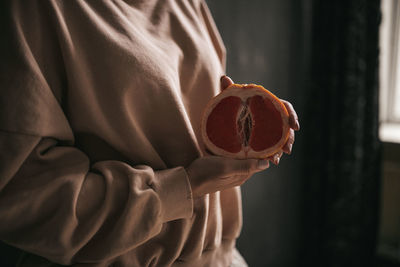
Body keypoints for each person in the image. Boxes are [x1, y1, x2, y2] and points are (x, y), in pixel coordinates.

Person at [0, 0, 299, 266]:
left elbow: (188, 117)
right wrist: (185, 186)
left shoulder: (188, 4)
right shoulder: (34, 9)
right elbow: (22, 200)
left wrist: (256, 121)